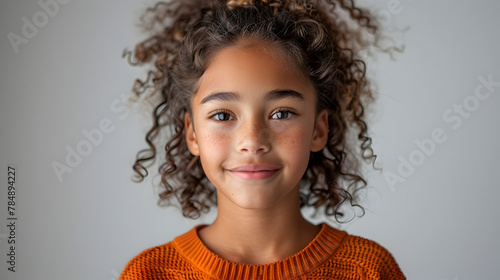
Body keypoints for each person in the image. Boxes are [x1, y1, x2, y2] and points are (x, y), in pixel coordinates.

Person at [119, 0, 405, 279]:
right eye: (222, 116)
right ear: (192, 134)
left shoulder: (368, 271)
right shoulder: (148, 273)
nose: (252, 141)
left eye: (281, 113)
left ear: (319, 130)